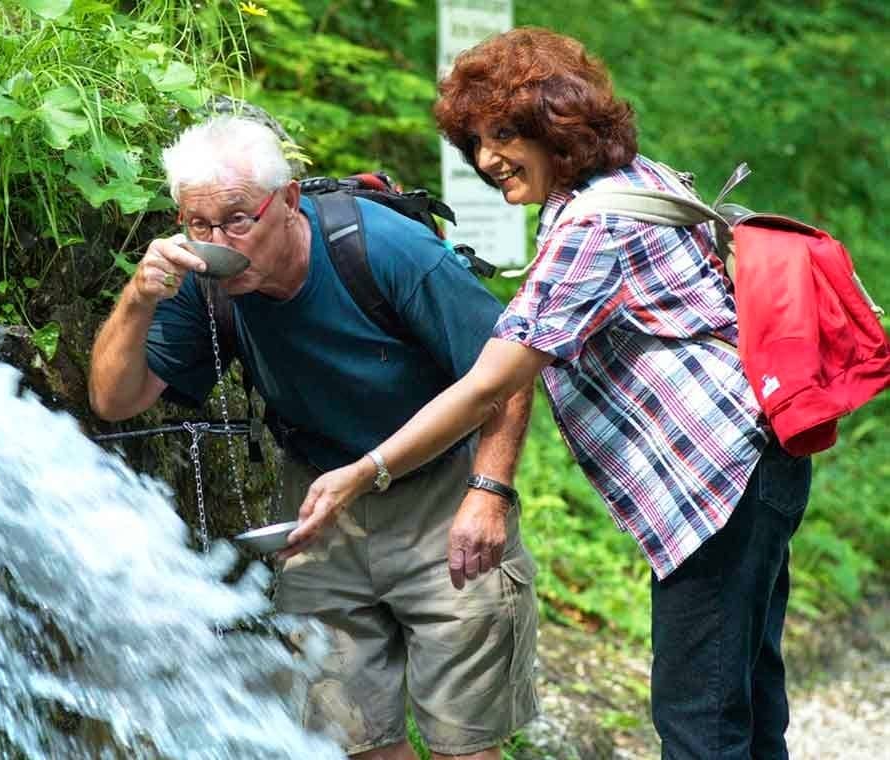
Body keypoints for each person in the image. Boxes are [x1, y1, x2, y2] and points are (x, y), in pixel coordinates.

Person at [286, 27, 811, 759]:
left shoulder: (592, 222)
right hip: (757, 461)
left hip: (719, 478)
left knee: (701, 719)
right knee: (745, 699)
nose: (488, 158)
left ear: (558, 125)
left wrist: (365, 470)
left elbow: (490, 382)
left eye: (505, 133)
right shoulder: (638, 183)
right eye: (475, 142)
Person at [88, 115, 538, 760]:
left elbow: (512, 370)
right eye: (198, 224)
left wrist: (489, 492)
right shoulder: (198, 280)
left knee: (462, 743)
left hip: (439, 493)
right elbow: (114, 399)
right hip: (319, 501)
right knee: (352, 737)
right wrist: (138, 296)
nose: (219, 241)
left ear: (290, 201)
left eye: (239, 220)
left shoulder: (384, 250)